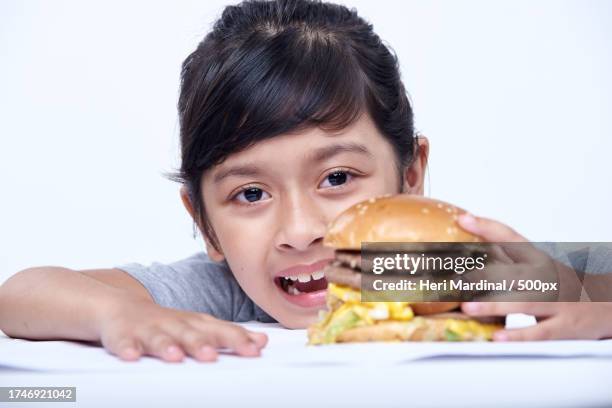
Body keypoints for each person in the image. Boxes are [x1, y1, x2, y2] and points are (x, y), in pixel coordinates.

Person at [1, 0, 610, 363]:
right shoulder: (222, 298)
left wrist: (581, 296)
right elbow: (22, 293)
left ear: (411, 175)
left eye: (338, 177)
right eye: (251, 194)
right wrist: (116, 317)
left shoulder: (428, 270)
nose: (300, 231)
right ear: (204, 223)